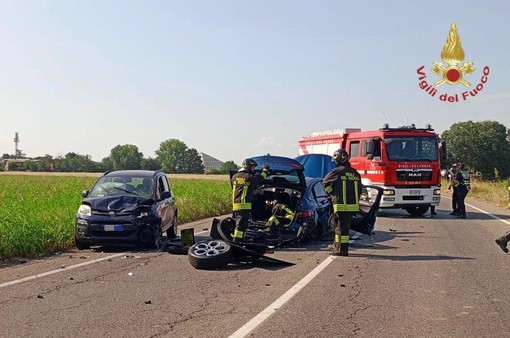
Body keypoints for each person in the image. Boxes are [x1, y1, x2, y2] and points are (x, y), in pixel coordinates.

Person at [322, 149, 361, 256]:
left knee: (339, 229)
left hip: (340, 205)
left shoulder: (336, 172)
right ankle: (340, 247)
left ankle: (340, 250)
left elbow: (325, 183)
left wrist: (331, 194)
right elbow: (360, 189)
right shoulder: (355, 173)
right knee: (345, 230)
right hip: (352, 206)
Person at [231, 158, 269, 243]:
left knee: (241, 225)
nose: (254, 169)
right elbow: (260, 178)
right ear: (248, 166)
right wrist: (265, 170)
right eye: (253, 167)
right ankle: (236, 242)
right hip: (244, 206)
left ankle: (242, 239)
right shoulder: (249, 177)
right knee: (241, 226)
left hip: (236, 206)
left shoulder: (234, 177)